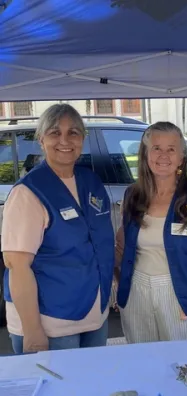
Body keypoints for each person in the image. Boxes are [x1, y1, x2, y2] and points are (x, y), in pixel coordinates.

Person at [1, 104, 114, 354]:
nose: (64, 140)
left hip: (94, 316)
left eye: (73, 132)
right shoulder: (28, 193)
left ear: (82, 139)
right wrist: (32, 331)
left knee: (93, 388)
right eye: (54, 133)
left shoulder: (91, 182)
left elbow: (102, 245)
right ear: (41, 140)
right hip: (50, 322)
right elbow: (17, 266)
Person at [115, 121, 187, 343]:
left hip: (179, 295)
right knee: (143, 364)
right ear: (145, 154)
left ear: (182, 157)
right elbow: (121, 248)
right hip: (136, 293)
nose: (164, 155)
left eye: (171, 149)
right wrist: (119, 284)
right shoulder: (132, 195)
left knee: (184, 368)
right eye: (156, 148)